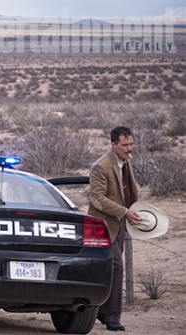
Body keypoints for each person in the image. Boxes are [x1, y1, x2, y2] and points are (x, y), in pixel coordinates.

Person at [88, 126, 142, 332]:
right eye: (125, 145)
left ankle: (100, 310)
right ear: (113, 145)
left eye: (131, 144)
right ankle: (112, 318)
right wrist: (124, 212)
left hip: (119, 224)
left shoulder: (126, 163)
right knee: (116, 267)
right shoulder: (101, 167)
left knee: (110, 269)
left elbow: (129, 192)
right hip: (101, 227)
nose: (130, 148)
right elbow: (97, 198)